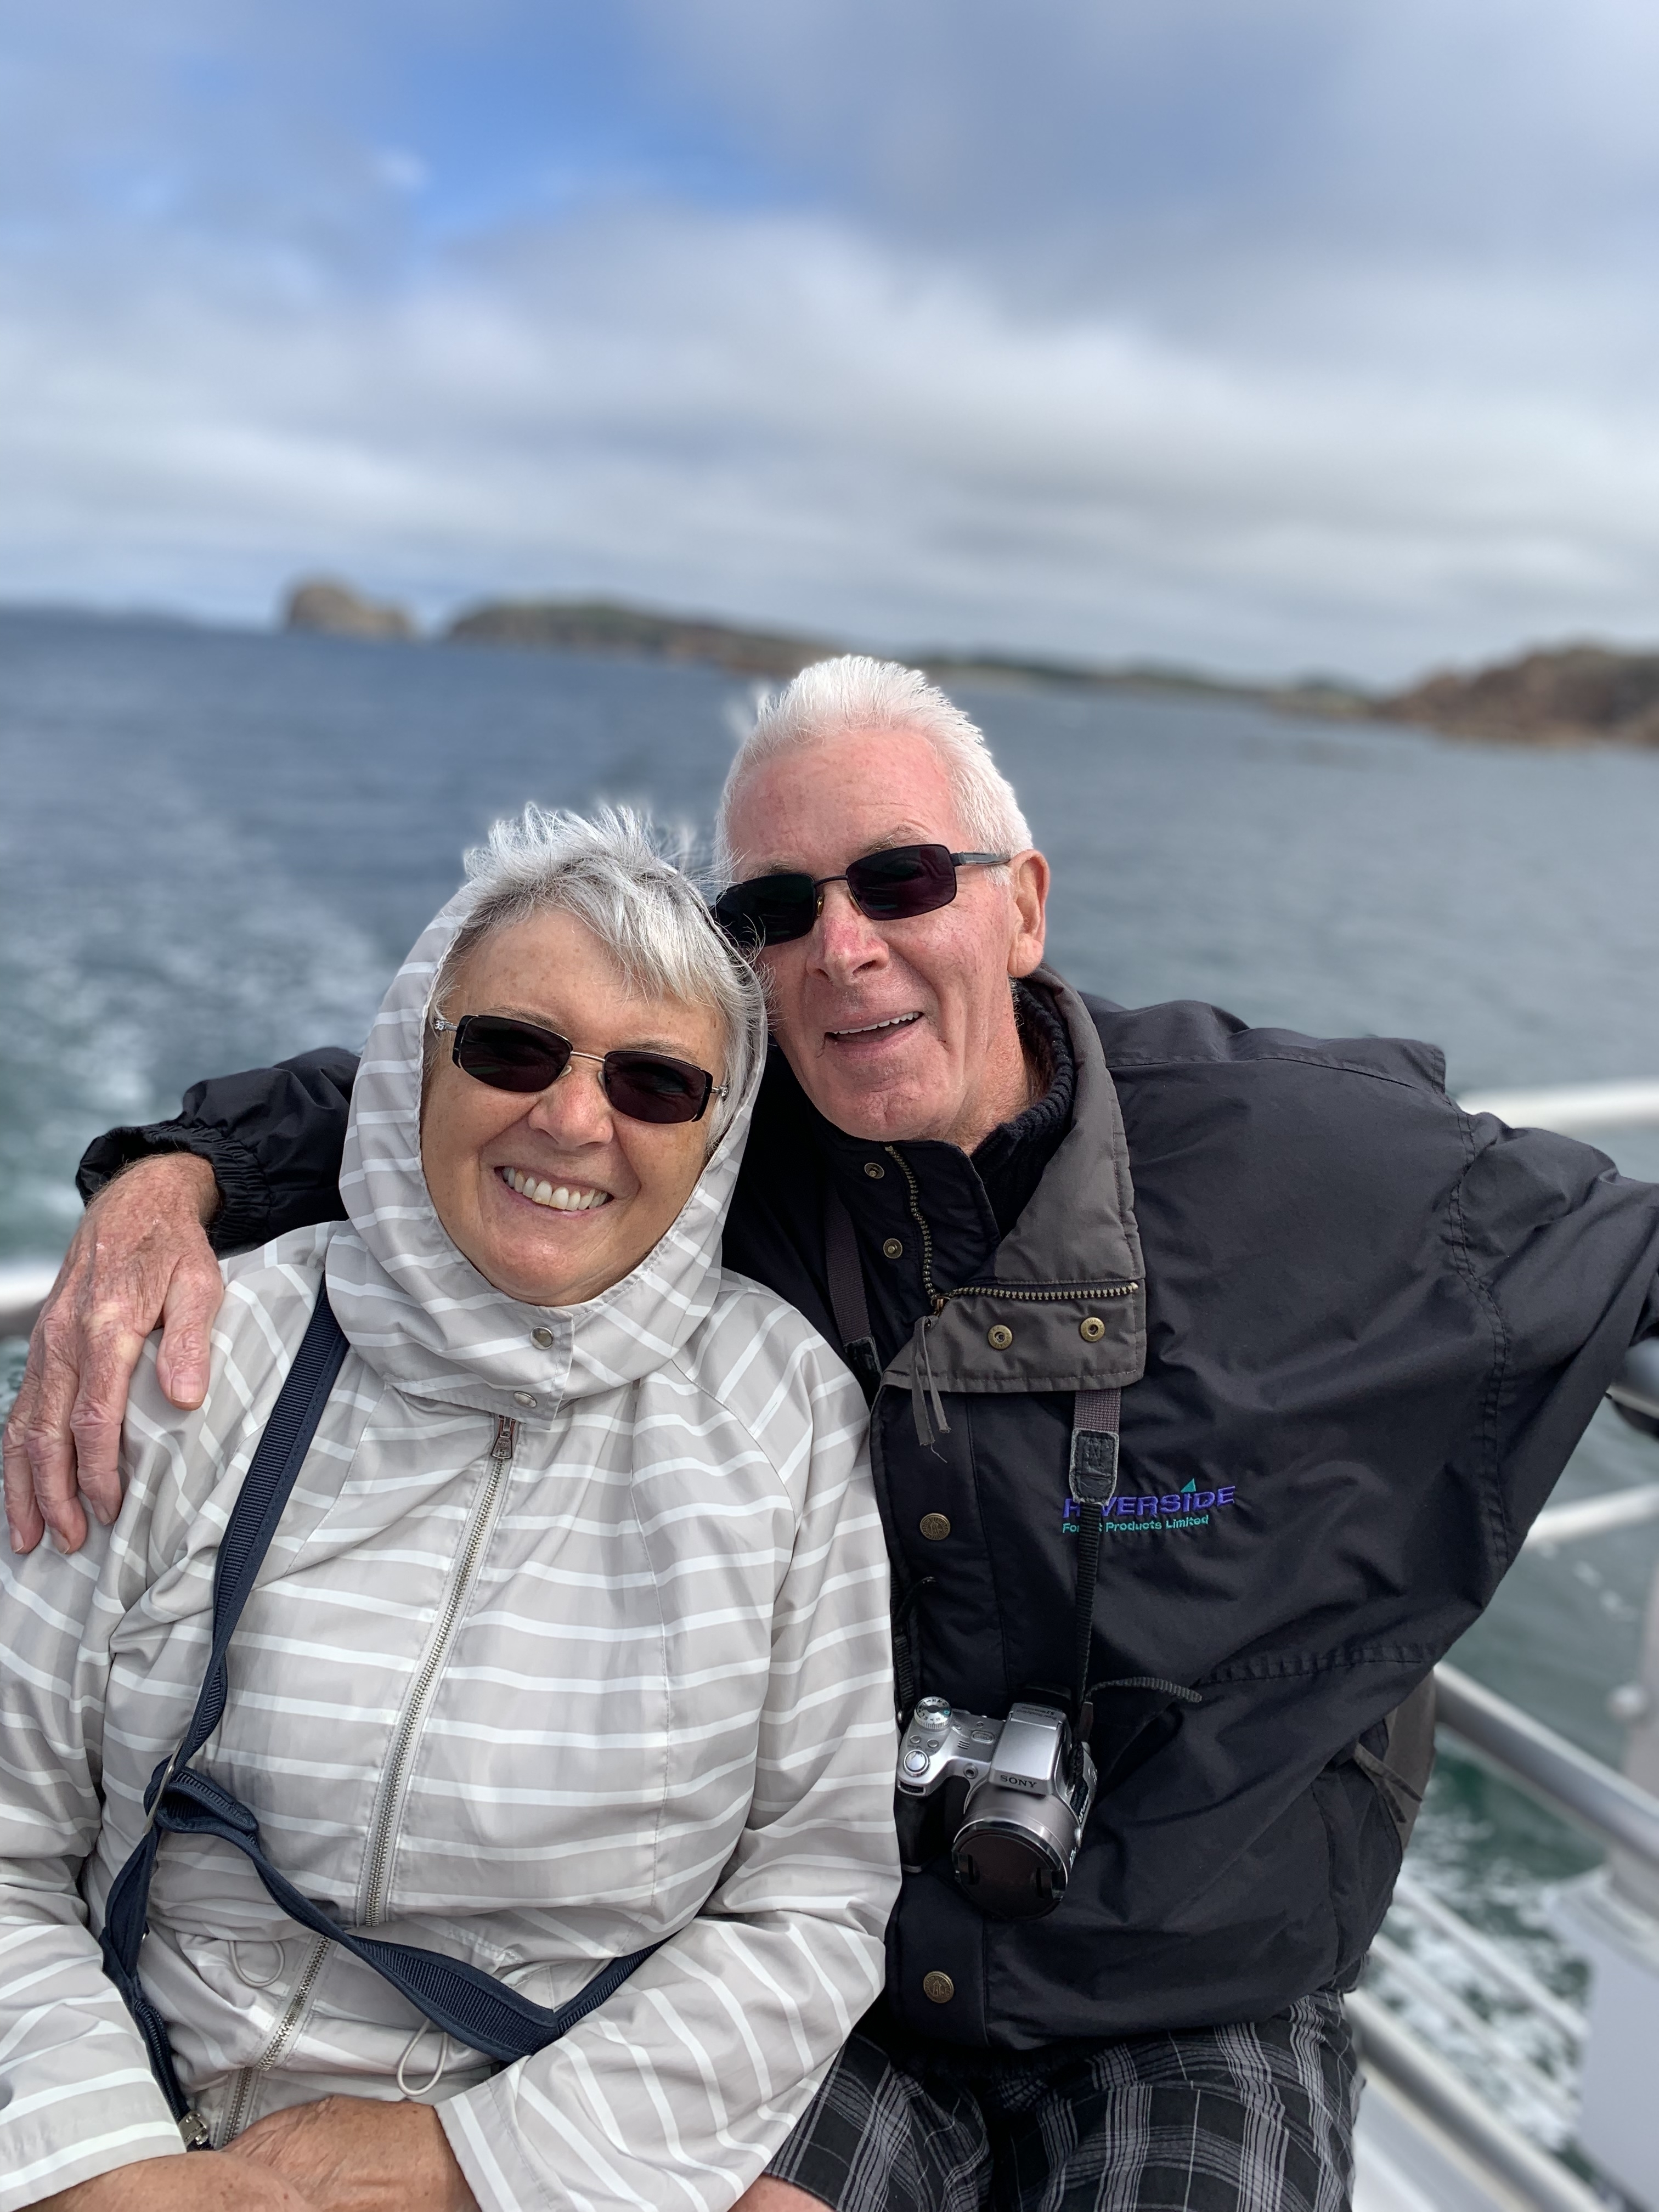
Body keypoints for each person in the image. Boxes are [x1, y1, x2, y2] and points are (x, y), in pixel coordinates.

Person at [9, 655, 1659, 2212]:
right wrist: (176, 1170)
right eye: (775, 912)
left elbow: (1625, 1253)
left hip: (1195, 1977)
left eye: (902, 879)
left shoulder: (1310, 1164)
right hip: (878, 1974)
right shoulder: (728, 1129)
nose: (842, 947)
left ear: (1021, 904)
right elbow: (469, 1078)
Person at [0, 806, 898, 2212]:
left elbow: (809, 1904)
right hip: (136, 2092)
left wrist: (473, 2163)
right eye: (512, 1049)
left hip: (538, 2149)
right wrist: (98, 2155)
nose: (573, 1118)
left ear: (716, 1140)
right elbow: (8, 1827)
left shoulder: (780, 1416)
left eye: (657, 1084)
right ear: (418, 1058)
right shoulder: (207, 1349)